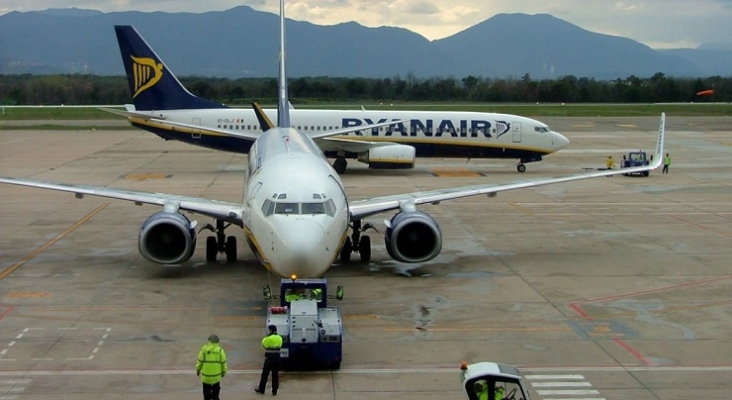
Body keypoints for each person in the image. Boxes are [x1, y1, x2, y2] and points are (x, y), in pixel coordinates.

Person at [196, 334, 228, 400]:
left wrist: (198, 369)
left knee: (206, 392)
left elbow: (200, 361)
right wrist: (224, 372)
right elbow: (223, 362)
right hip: (216, 376)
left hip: (206, 376)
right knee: (216, 391)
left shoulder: (204, 350)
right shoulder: (220, 350)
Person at [256, 325, 283, 395]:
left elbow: (263, 346)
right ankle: (274, 391)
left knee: (265, 374)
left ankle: (261, 389)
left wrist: (266, 338)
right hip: (277, 359)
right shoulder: (280, 338)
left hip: (269, 359)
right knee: (275, 375)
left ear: (271, 330)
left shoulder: (269, 338)